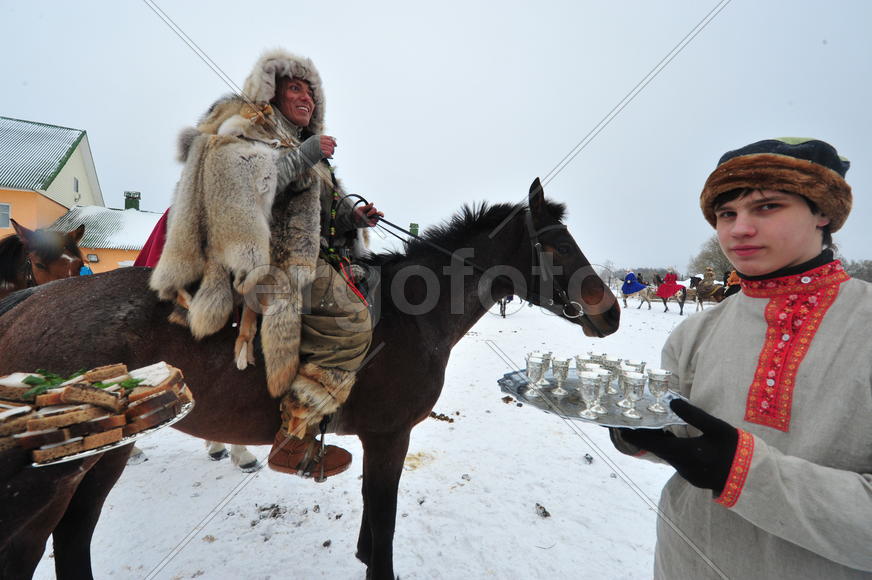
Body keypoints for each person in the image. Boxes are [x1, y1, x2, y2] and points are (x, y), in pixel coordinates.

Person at [610, 137, 872, 578]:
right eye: (726, 214)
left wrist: (744, 472)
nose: (739, 229)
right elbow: (685, 439)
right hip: (683, 562)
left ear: (823, 213)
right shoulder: (694, 331)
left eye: (767, 207)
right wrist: (637, 431)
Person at [140, 49, 382, 479]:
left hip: (314, 254)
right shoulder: (250, 132)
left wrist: (354, 217)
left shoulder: (308, 149)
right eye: (296, 89)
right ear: (272, 93)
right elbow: (248, 189)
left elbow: (325, 215)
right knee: (350, 322)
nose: (306, 98)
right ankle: (294, 438)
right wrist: (306, 153)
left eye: (311, 93)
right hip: (271, 258)